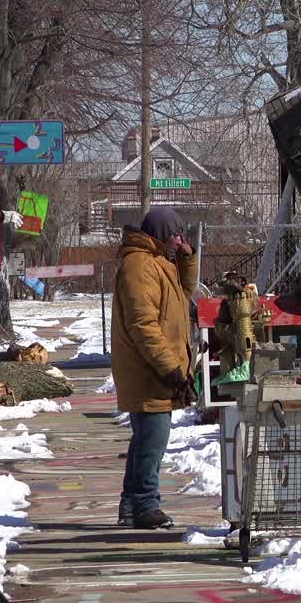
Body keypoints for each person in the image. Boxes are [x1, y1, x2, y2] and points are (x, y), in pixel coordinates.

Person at [111, 206, 197, 529]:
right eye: (175, 234)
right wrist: (171, 369)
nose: (178, 240)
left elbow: (182, 297)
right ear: (161, 234)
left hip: (156, 371)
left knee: (144, 439)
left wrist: (187, 261)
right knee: (153, 439)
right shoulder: (140, 265)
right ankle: (146, 503)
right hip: (148, 371)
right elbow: (143, 325)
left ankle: (131, 504)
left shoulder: (160, 263)